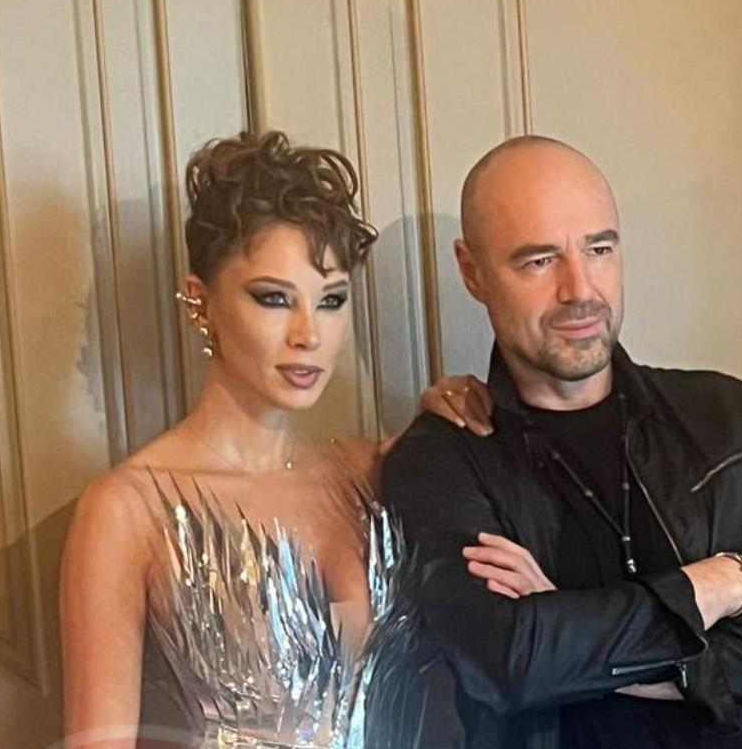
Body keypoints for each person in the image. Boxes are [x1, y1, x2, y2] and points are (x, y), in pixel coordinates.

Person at [381, 135, 742, 749]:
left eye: (599, 249)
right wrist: (720, 583)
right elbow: (511, 662)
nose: (579, 289)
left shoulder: (729, 419)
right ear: (472, 271)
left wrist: (581, 639)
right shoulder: (441, 459)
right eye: (539, 260)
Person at [60, 130, 500, 749]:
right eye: (274, 298)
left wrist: (448, 417)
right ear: (199, 301)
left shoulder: (375, 472)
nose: (308, 334)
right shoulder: (129, 509)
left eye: (331, 300)